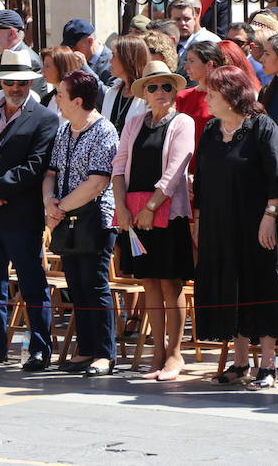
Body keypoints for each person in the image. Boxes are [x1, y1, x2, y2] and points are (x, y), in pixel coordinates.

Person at [192, 65, 278, 390]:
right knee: (231, 289)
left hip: (258, 226)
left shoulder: (261, 127)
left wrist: (270, 216)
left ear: (230, 95)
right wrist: (198, 220)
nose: (207, 98)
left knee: (262, 287)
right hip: (219, 226)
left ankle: (267, 365)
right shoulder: (212, 130)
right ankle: (240, 363)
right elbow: (202, 180)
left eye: (212, 92)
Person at [0, 49, 58, 369]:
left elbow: (35, 166)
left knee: (32, 283)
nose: (15, 88)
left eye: (21, 82)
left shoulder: (46, 118)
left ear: (31, 82)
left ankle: (40, 348)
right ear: (0, 82)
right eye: (9, 82)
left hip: (21, 213)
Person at [112, 60, 195, 381]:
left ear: (175, 90)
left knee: (171, 284)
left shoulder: (183, 122)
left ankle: (174, 354)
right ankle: (157, 353)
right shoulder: (133, 122)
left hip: (165, 213)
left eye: (166, 86)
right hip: (134, 213)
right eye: (153, 87)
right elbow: (119, 167)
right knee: (148, 284)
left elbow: (177, 168)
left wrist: (151, 205)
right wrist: (122, 207)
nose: (160, 92)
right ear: (144, 93)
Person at [44, 69, 119, 375]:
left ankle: (103, 352)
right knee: (77, 285)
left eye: (61, 95)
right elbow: (50, 173)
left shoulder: (104, 131)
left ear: (77, 100)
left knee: (95, 284)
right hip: (65, 218)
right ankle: (85, 348)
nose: (57, 100)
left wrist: (60, 206)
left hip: (95, 219)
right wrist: (49, 203)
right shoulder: (64, 131)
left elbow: (97, 182)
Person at [100, 34, 149, 131]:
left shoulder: (147, 96)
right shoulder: (111, 93)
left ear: (127, 59)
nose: (110, 61)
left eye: (114, 56)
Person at [176, 41, 225, 138]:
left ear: (209, 65)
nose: (186, 67)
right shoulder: (182, 96)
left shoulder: (225, 97)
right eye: (187, 61)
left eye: (192, 61)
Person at [63, 18, 115, 87]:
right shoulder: (76, 63)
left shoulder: (112, 62)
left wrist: (85, 67)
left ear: (90, 41)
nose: (72, 51)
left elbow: (108, 95)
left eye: (73, 47)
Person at [39, 47, 86, 113]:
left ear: (61, 67)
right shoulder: (46, 100)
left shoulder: (81, 100)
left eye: (47, 66)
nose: (42, 70)